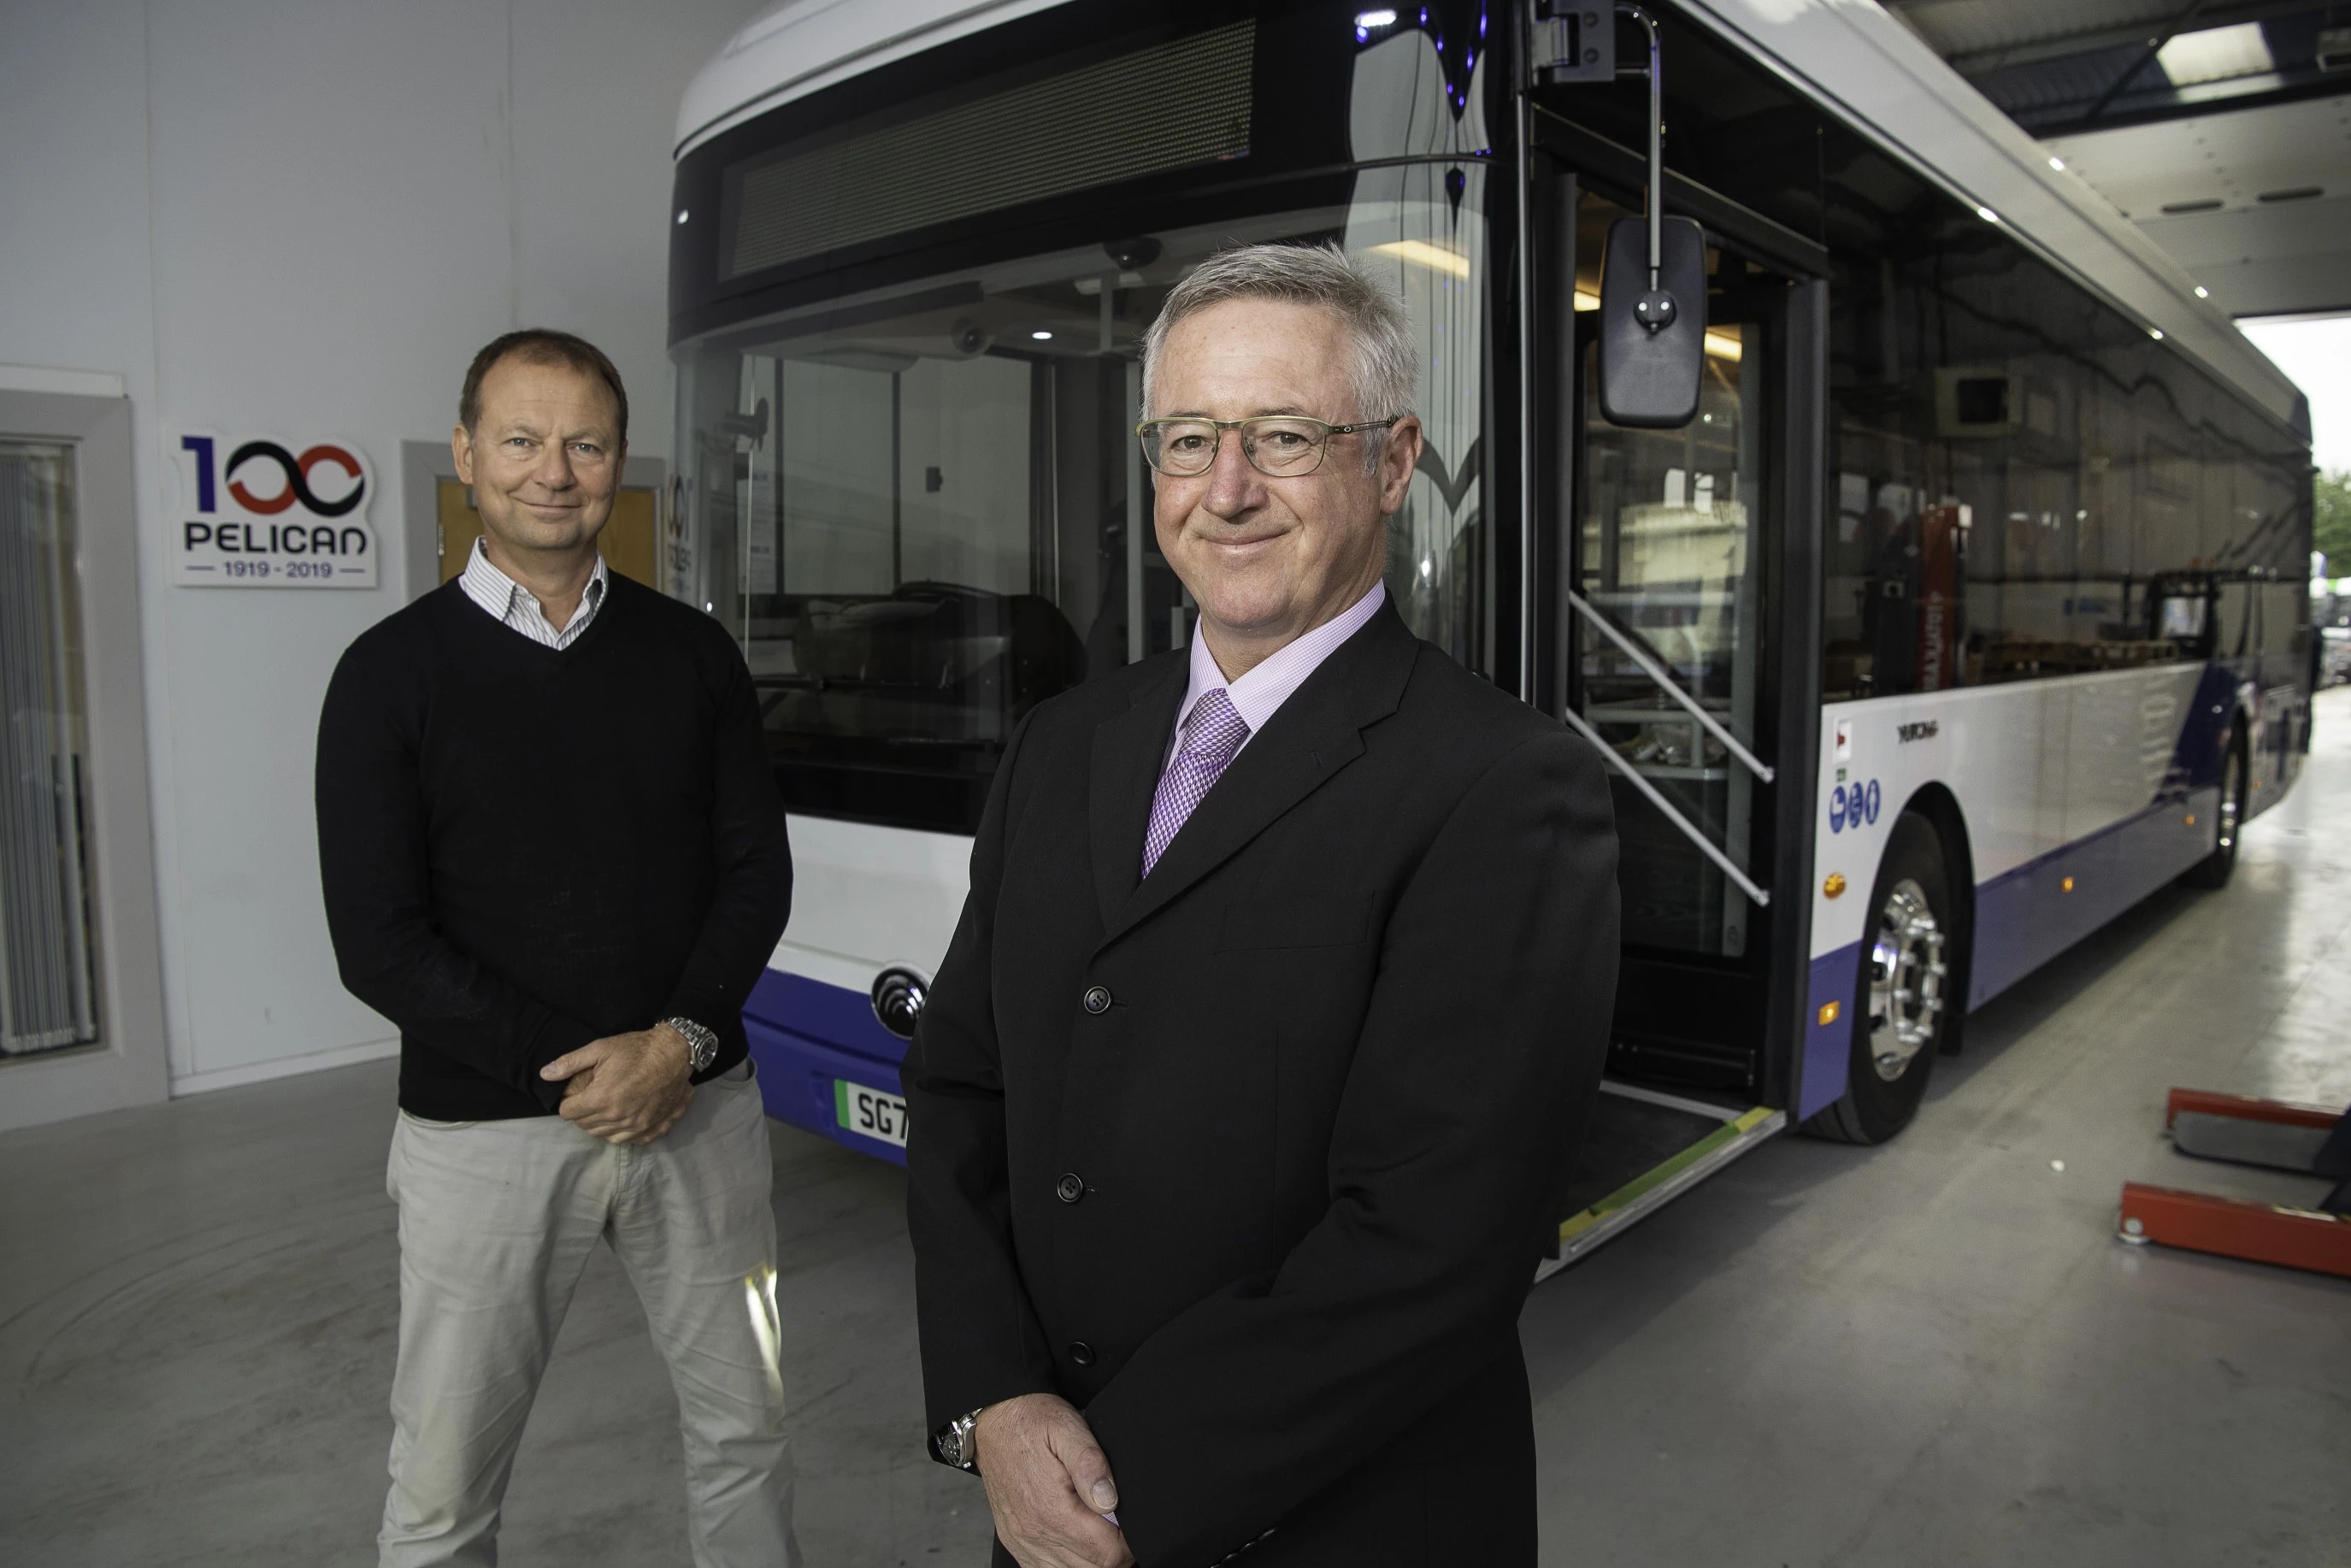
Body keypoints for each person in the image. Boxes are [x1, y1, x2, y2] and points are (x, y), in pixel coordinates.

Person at [904, 245, 1620, 1568]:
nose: (1225, 490)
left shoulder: (1505, 787)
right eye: (1188, 438)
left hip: (1310, 1520)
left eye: (1283, 436)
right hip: (1040, 1491)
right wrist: (994, 1400)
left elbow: (1435, 1243)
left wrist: (1111, 1494)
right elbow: (961, 1085)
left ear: (1394, 462)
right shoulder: (1062, 745)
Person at [315, 328, 800, 1567]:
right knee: (440, 1490)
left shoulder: (694, 655)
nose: (553, 469)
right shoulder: (385, 676)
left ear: (617, 461)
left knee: (745, 1433)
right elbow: (378, 940)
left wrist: (677, 1046)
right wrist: (588, 1068)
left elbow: (756, 873)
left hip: (699, 1112)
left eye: (584, 443)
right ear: (469, 455)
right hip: (484, 1139)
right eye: (522, 440)